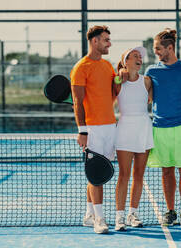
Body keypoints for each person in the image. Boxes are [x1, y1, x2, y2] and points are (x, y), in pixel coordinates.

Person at [144, 28, 181, 228]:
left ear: (170, 47)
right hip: (160, 127)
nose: (156, 52)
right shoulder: (151, 71)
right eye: (155, 49)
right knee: (166, 171)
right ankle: (170, 211)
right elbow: (145, 95)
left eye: (158, 48)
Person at [70, 25, 116, 234]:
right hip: (93, 130)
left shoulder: (108, 66)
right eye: (106, 40)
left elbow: (111, 94)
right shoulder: (81, 67)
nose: (109, 43)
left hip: (110, 127)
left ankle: (89, 213)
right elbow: (77, 102)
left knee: (98, 173)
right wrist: (83, 130)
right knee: (96, 175)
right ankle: (99, 219)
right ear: (94, 41)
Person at [113, 47, 153, 231]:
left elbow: (152, 99)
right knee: (124, 175)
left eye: (140, 56)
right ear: (125, 61)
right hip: (125, 129)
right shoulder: (118, 81)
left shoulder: (147, 81)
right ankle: (119, 216)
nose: (139, 58)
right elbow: (113, 84)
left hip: (143, 128)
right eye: (134, 56)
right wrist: (120, 75)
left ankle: (132, 213)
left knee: (139, 175)